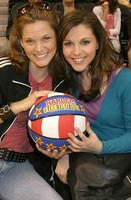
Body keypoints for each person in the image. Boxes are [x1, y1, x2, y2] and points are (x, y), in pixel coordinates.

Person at [0, 3, 68, 200]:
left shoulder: (62, 81)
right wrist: (18, 106)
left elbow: (68, 126)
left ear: (57, 38)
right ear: (21, 43)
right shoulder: (3, 71)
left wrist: (63, 153)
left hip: (18, 168)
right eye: (30, 41)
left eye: (46, 38)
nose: (39, 48)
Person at [54, 10, 131, 199]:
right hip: (90, 159)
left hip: (120, 159)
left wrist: (100, 147)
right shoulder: (66, 82)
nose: (76, 52)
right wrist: (65, 155)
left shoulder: (124, 80)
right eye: (68, 44)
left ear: (98, 43)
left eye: (85, 42)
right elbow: (65, 126)